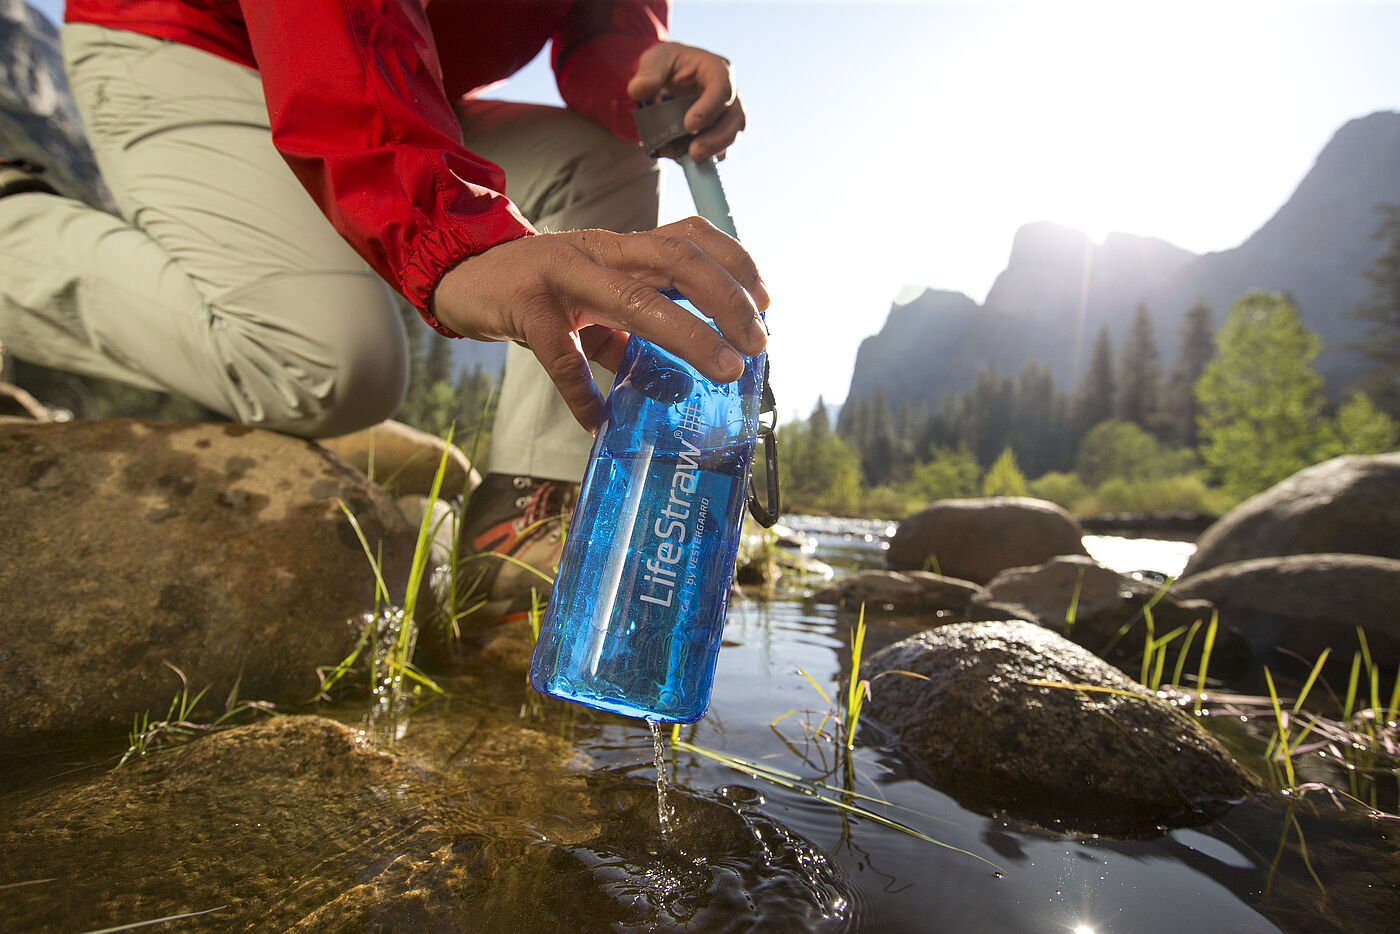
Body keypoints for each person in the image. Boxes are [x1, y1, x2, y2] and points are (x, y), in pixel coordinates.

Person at [0, 0, 767, 621]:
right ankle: (15, 232)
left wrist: (635, 67)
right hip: (199, 44)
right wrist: (456, 241)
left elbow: (595, 20)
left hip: (394, 77)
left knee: (598, 158)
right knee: (328, 365)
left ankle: (528, 514)